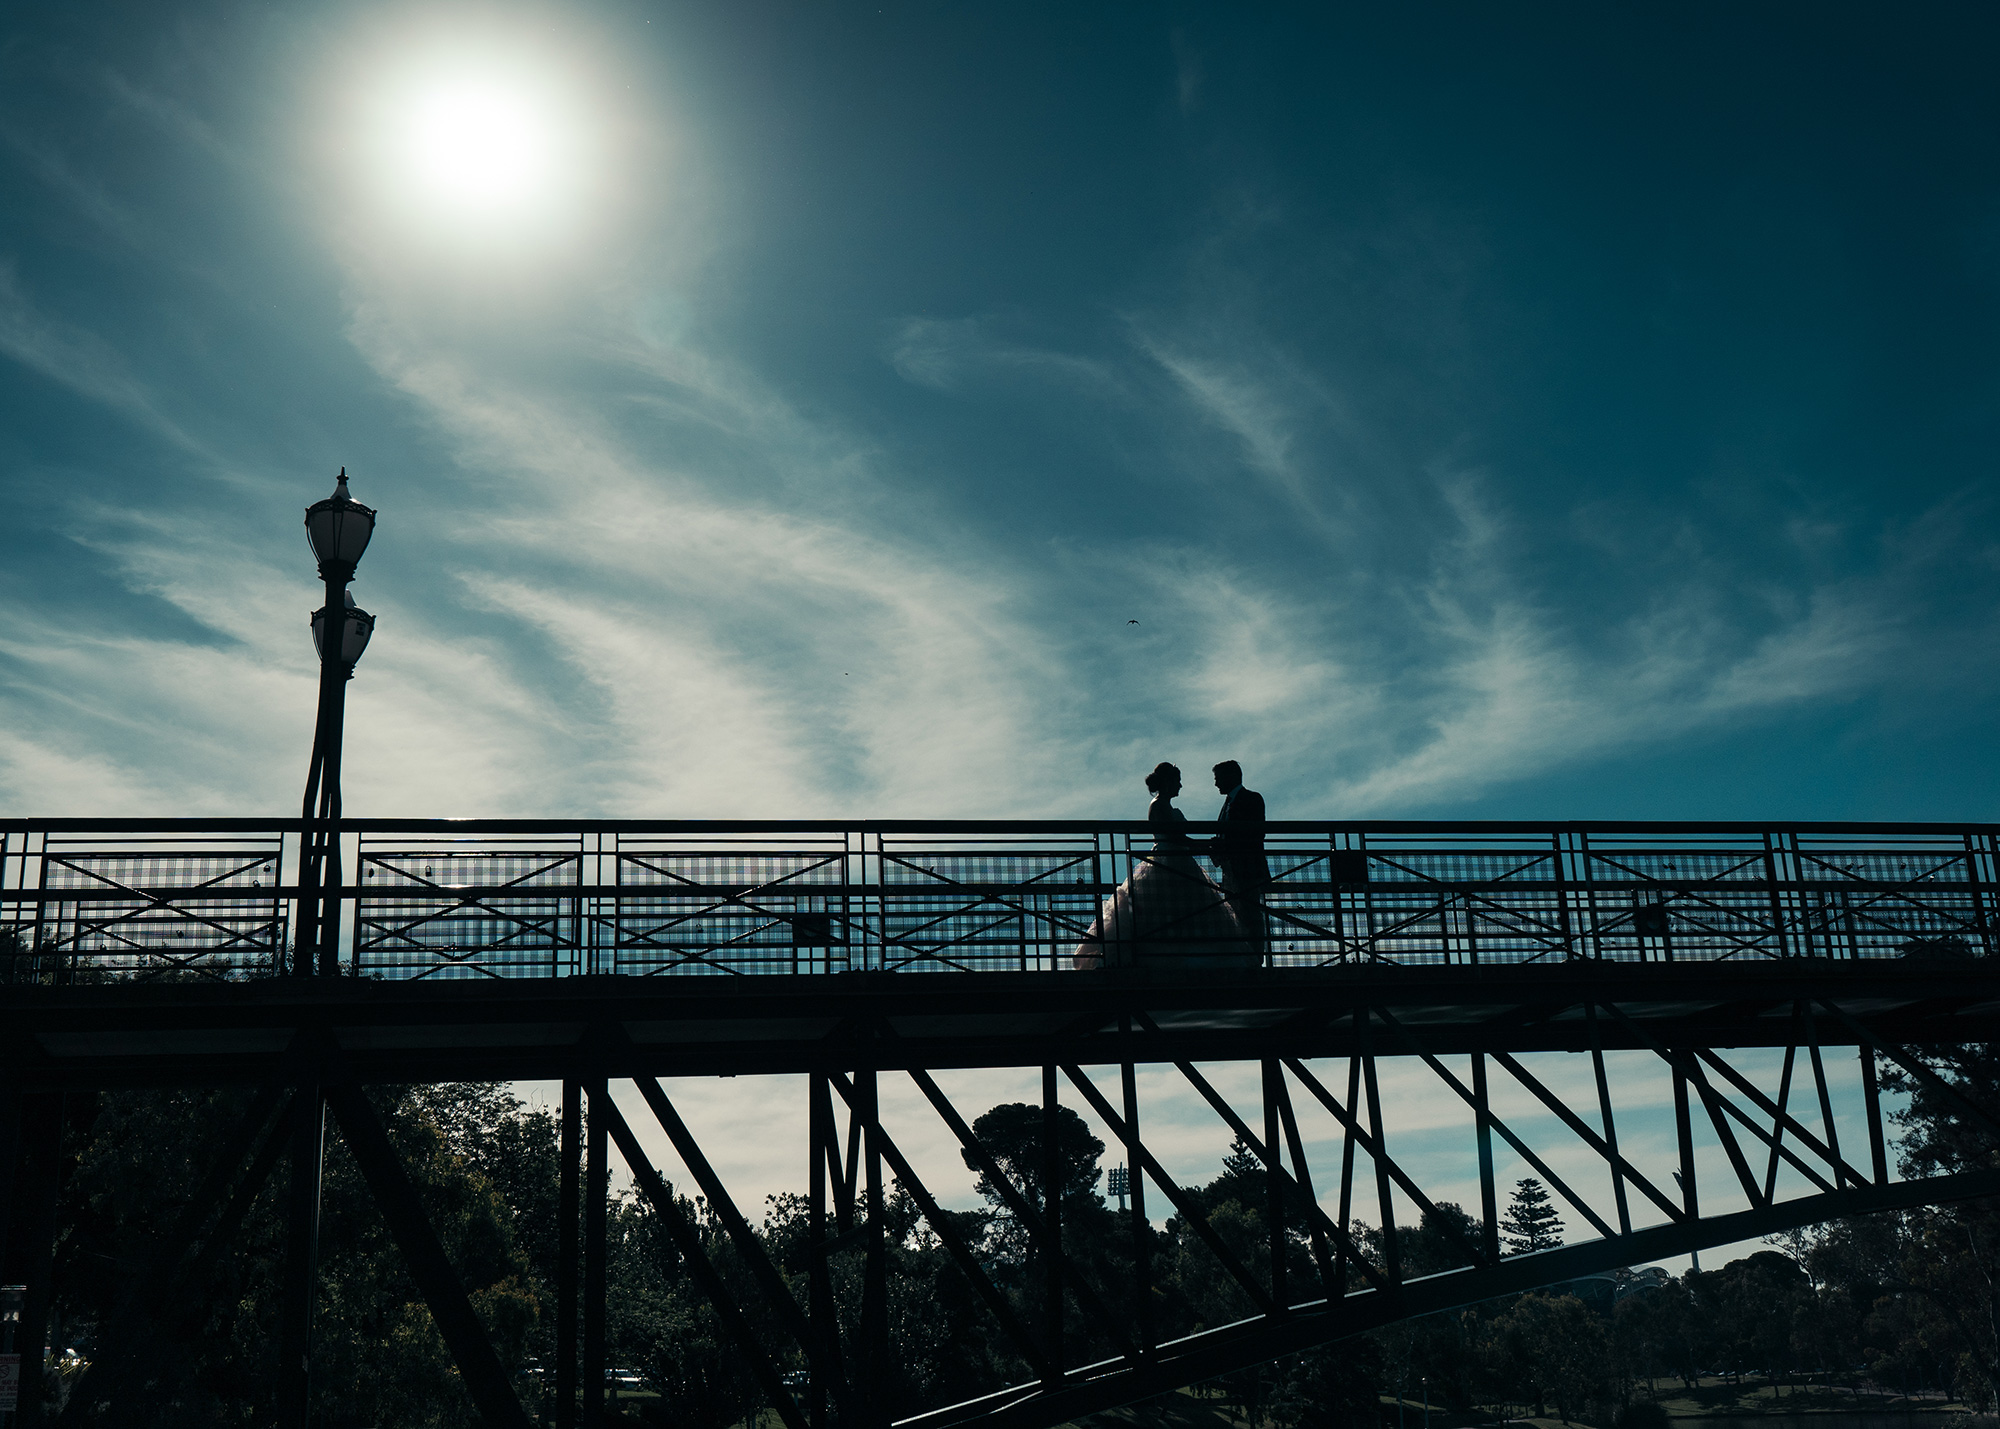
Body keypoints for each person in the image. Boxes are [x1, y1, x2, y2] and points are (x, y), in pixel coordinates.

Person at [1073, 762, 1251, 970]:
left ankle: (1184, 954)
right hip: (1169, 861)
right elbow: (1176, 838)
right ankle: (1174, 955)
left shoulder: (1163, 805)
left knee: (1182, 910)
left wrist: (1205, 846)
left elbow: (1178, 837)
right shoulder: (1158, 805)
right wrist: (1207, 845)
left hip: (1176, 861)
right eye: (1178, 781)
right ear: (1168, 782)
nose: (1181, 786)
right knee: (1174, 909)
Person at [1209, 760, 1270, 968]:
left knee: (1251, 913)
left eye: (1218, 778)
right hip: (1232, 870)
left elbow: (1256, 833)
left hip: (1247, 867)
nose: (1216, 784)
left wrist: (1224, 844)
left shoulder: (1251, 798)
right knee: (1238, 913)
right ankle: (1245, 958)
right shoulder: (1227, 803)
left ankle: (1255, 959)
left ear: (1231, 777)